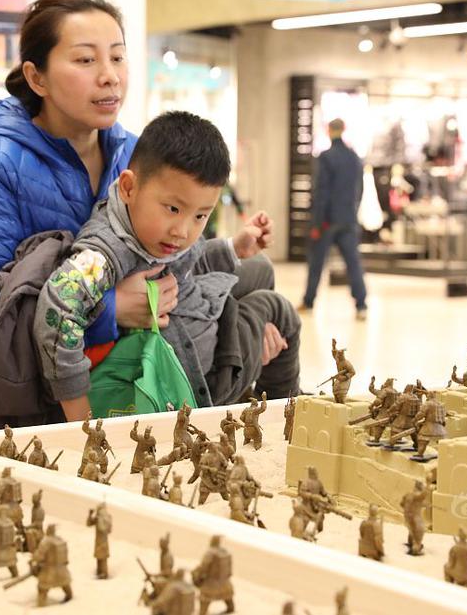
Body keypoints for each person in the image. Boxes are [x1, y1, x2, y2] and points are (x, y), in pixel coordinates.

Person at [0, 0, 279, 434]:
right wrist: (111, 309)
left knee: (259, 274)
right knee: (265, 311)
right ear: (37, 78)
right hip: (53, 352)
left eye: (117, 58)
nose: (109, 77)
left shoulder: (132, 151)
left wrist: (232, 249)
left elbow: (177, 251)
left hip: (146, 316)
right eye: (86, 60)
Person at [35, 111, 300, 420]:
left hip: (198, 315)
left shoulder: (148, 228)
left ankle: (254, 363)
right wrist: (80, 416)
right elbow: (56, 307)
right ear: (129, 188)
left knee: (261, 267)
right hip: (195, 379)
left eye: (200, 215)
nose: (182, 230)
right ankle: (280, 421)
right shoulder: (105, 253)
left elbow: (189, 259)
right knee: (278, 310)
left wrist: (235, 247)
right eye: (173, 208)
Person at [298, 118, 368, 320]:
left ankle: (309, 301)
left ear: (329, 130)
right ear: (344, 130)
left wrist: (317, 223)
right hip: (348, 219)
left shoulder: (326, 157)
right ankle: (361, 304)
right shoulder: (354, 158)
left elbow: (322, 192)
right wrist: (352, 213)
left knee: (317, 263)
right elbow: (359, 190)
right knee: (353, 264)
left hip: (327, 221)